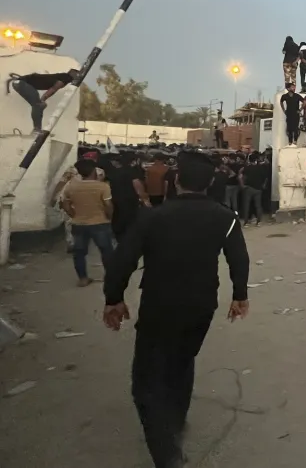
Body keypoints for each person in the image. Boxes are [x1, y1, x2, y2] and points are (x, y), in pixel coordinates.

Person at [102, 151, 250, 468]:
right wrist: (240, 295)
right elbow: (239, 258)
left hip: (160, 305)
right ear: (210, 182)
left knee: (146, 381)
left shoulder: (153, 217)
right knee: (183, 360)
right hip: (201, 305)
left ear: (177, 181)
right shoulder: (225, 217)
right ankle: (176, 421)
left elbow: (122, 260)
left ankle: (167, 454)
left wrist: (114, 297)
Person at [62, 159, 115, 288]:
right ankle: (110, 278)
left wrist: (73, 215)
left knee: (79, 253)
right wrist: (109, 217)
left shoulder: (71, 186)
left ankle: (83, 279)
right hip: (100, 222)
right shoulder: (102, 186)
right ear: (93, 171)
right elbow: (108, 205)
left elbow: (65, 204)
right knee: (106, 251)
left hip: (79, 224)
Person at [7, 68, 80, 133]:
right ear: (73, 74)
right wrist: (43, 99)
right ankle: (36, 129)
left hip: (18, 83)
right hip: (22, 83)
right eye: (77, 75)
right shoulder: (66, 78)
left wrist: (42, 100)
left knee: (40, 105)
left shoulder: (62, 76)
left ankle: (37, 128)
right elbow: (53, 89)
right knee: (38, 105)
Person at [110, 153, 150, 242]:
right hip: (130, 201)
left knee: (118, 220)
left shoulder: (114, 172)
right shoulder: (133, 172)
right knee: (130, 222)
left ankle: (119, 239)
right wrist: (145, 199)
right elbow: (138, 186)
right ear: (132, 162)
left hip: (116, 200)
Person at [240, 155, 268, 226]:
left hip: (248, 188)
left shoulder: (247, 168)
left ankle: (246, 222)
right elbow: (265, 177)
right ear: (256, 160)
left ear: (249, 160)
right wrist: (263, 185)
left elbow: (241, 176)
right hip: (258, 189)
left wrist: (242, 185)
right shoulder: (260, 168)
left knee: (246, 205)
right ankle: (259, 222)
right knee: (258, 206)